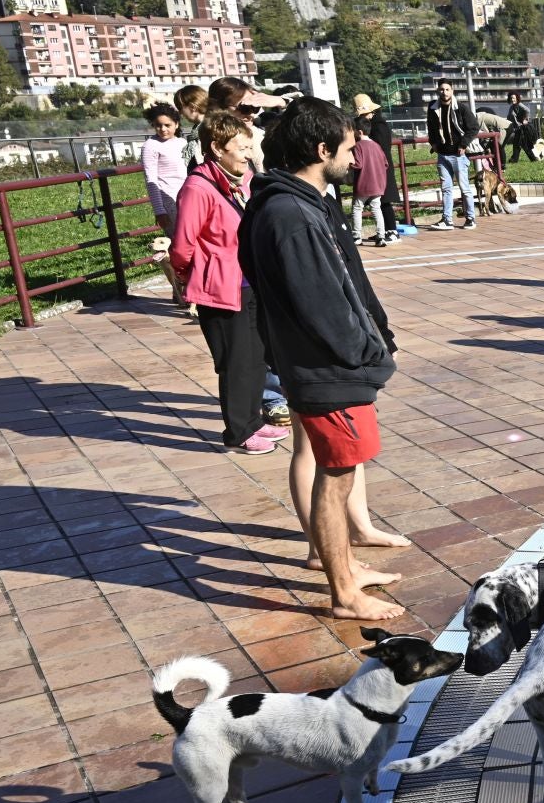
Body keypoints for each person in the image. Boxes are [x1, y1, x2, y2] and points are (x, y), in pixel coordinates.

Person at [241, 97, 407, 622]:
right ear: (320, 149)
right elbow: (321, 304)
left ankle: (348, 568)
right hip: (325, 369)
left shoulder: (300, 203)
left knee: (338, 468)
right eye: (349, 147)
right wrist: (364, 353)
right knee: (335, 476)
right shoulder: (288, 214)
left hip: (324, 366)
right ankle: (344, 592)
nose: (356, 158)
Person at [171, 109, 287, 456]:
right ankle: (239, 430)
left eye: (249, 147)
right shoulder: (198, 187)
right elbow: (183, 244)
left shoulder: (243, 180)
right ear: (217, 148)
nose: (247, 154)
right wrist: (190, 278)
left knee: (255, 358)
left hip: (250, 283)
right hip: (221, 290)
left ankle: (253, 419)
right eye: (241, 147)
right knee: (235, 362)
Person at [142, 103, 188, 304]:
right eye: (158, 125)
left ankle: (183, 290)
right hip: (168, 202)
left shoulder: (182, 143)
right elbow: (151, 179)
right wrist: (159, 210)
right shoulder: (151, 146)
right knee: (176, 249)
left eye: (167, 125)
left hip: (187, 198)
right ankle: (180, 291)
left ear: (176, 124)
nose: (163, 129)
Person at [425, 78, 479, 231]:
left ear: (452, 91)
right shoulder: (433, 107)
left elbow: (473, 127)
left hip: (458, 155)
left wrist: (463, 144)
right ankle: (447, 219)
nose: (444, 92)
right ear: (438, 91)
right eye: (442, 89)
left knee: (464, 187)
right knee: (446, 188)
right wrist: (433, 143)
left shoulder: (460, 108)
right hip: (442, 154)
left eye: (447, 89)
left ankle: (470, 218)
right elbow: (431, 126)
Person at [351, 93, 402, 243]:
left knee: (384, 202)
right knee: (378, 203)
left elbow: (382, 146)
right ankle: (383, 232)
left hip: (378, 168)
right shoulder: (376, 123)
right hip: (378, 168)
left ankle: (392, 231)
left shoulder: (379, 125)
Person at [351, 122, 391, 247]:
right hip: (378, 183)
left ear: (360, 132)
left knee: (357, 208)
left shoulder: (358, 146)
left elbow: (358, 164)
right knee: (376, 209)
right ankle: (381, 237)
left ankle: (357, 236)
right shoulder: (376, 145)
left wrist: (348, 164)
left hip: (363, 183)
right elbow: (386, 164)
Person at [505, 90, 538, 163]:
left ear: (517, 98)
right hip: (518, 128)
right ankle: (516, 159)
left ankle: (516, 159)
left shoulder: (519, 104)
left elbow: (527, 110)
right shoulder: (512, 107)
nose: (512, 99)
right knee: (518, 144)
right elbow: (509, 117)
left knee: (522, 144)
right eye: (511, 98)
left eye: (513, 98)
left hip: (523, 128)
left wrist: (525, 119)